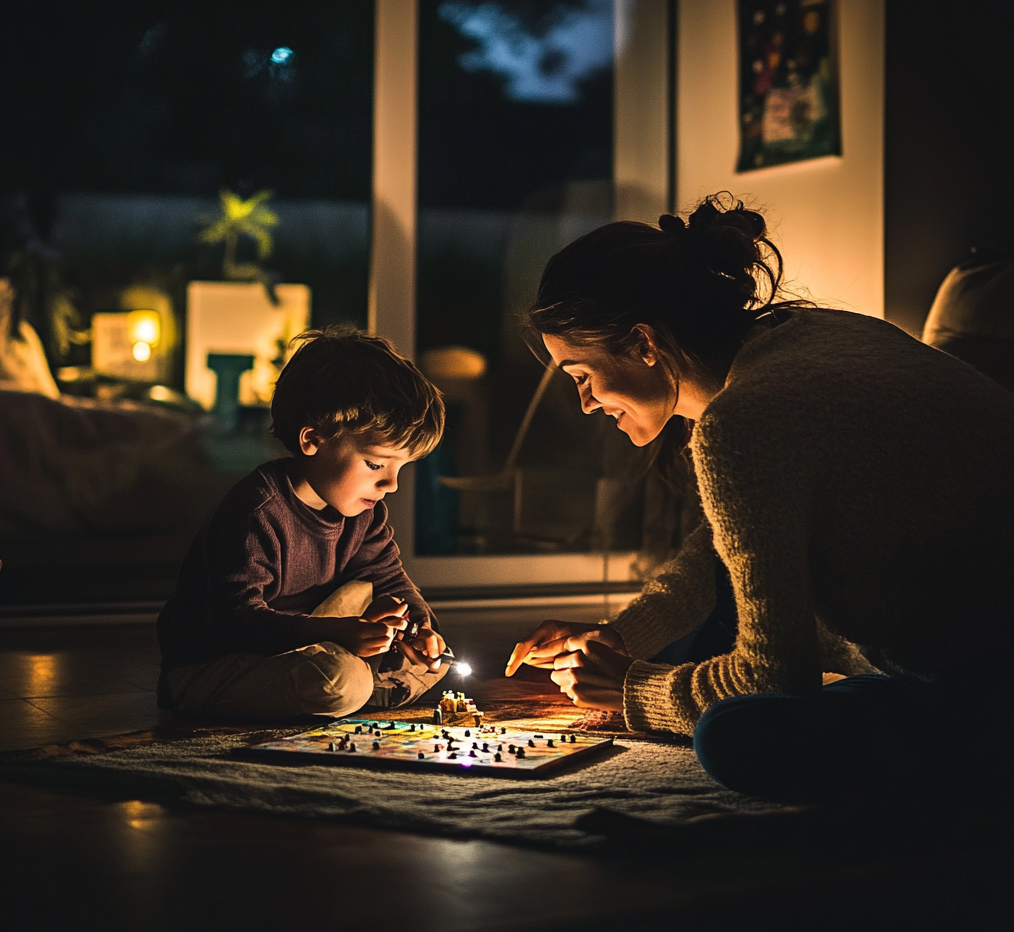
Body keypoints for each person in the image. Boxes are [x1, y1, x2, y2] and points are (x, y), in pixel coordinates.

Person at [505, 194, 1014, 803]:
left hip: (984, 682)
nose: (586, 403)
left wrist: (632, 690)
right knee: (715, 654)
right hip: (966, 661)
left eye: (582, 376)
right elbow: (730, 543)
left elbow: (774, 677)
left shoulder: (744, 418)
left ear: (644, 343)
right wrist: (622, 637)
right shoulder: (817, 335)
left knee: (733, 732)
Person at [157, 327, 449, 719]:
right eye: (375, 464)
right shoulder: (256, 512)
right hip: (220, 662)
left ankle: (353, 685)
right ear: (313, 440)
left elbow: (391, 580)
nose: (391, 484)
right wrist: (337, 633)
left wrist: (420, 630)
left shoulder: (364, 513)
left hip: (316, 645)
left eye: (402, 467)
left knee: (436, 659)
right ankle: (351, 688)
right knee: (336, 681)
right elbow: (234, 623)